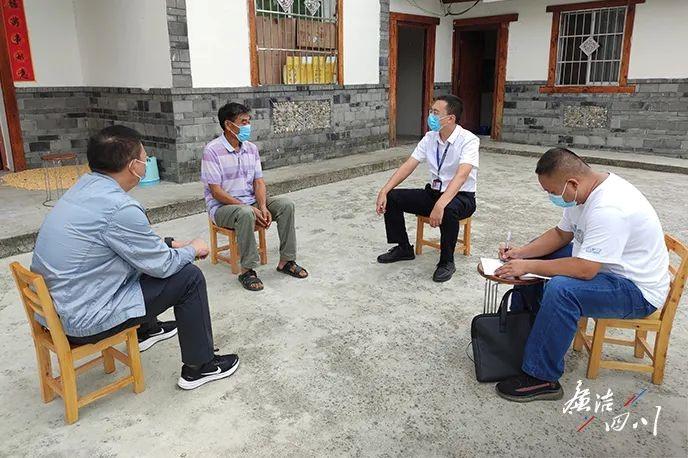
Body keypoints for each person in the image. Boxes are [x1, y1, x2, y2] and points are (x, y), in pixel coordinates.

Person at [31, 125, 239, 390]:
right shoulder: (119, 207)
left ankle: (146, 330)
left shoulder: (82, 188)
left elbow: (129, 246)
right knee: (189, 277)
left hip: (58, 308)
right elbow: (162, 266)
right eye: (144, 157)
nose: (146, 161)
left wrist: (170, 244)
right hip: (84, 319)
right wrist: (192, 249)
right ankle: (200, 367)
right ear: (133, 166)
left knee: (137, 262)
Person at [493, 147, 669, 402]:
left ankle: (542, 377)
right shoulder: (582, 193)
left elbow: (586, 270)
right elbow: (561, 234)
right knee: (536, 258)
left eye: (552, 192)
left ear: (572, 183)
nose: (551, 197)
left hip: (635, 290)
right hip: (607, 268)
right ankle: (524, 333)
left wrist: (529, 266)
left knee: (562, 290)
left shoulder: (610, 207)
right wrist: (521, 254)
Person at [201, 102, 308, 291]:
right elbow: (216, 191)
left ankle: (287, 261)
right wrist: (248, 207)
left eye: (248, 121)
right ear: (228, 125)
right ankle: (247, 270)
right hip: (222, 208)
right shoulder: (212, 151)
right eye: (243, 122)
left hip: (250, 203)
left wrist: (263, 206)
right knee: (245, 213)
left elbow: (259, 182)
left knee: (286, 205)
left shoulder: (251, 148)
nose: (247, 126)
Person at [375, 95, 479, 282]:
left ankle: (446, 262)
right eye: (431, 111)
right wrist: (384, 190)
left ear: (450, 118)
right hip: (433, 193)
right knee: (393, 197)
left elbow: (461, 176)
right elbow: (409, 164)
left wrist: (440, 204)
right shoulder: (430, 138)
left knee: (448, 209)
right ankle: (403, 248)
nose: (431, 116)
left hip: (461, 197)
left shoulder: (469, 140)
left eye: (436, 113)